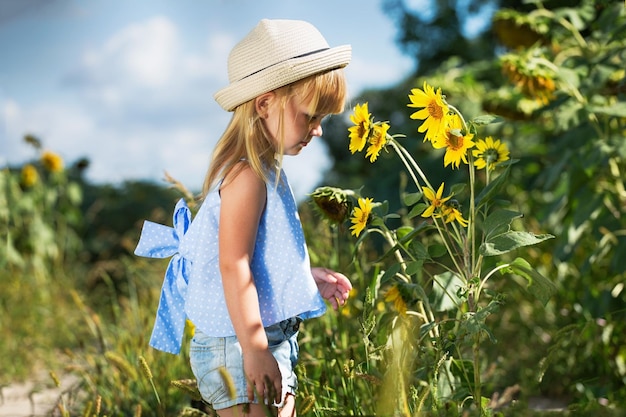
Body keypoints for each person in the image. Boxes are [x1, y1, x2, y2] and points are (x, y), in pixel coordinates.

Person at [134, 18, 353, 417]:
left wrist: (305, 275)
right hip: (239, 342)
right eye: (310, 116)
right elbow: (233, 266)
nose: (318, 131)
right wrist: (254, 349)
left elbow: (255, 259)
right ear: (265, 103)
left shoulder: (264, 171)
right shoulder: (248, 176)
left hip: (263, 337)